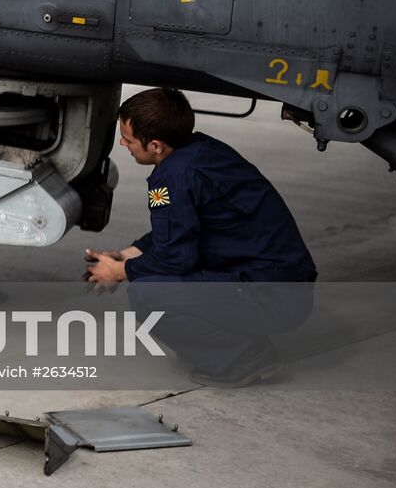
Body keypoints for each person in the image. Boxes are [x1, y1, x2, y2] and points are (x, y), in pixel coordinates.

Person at [84, 87, 317, 386]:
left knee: (148, 294)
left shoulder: (173, 178)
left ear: (155, 145)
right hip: (283, 287)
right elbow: (183, 231)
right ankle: (226, 341)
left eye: (128, 139)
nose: (123, 143)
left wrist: (120, 271)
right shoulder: (199, 151)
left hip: (272, 296)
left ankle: (245, 356)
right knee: (153, 278)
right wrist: (128, 253)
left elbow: (176, 258)